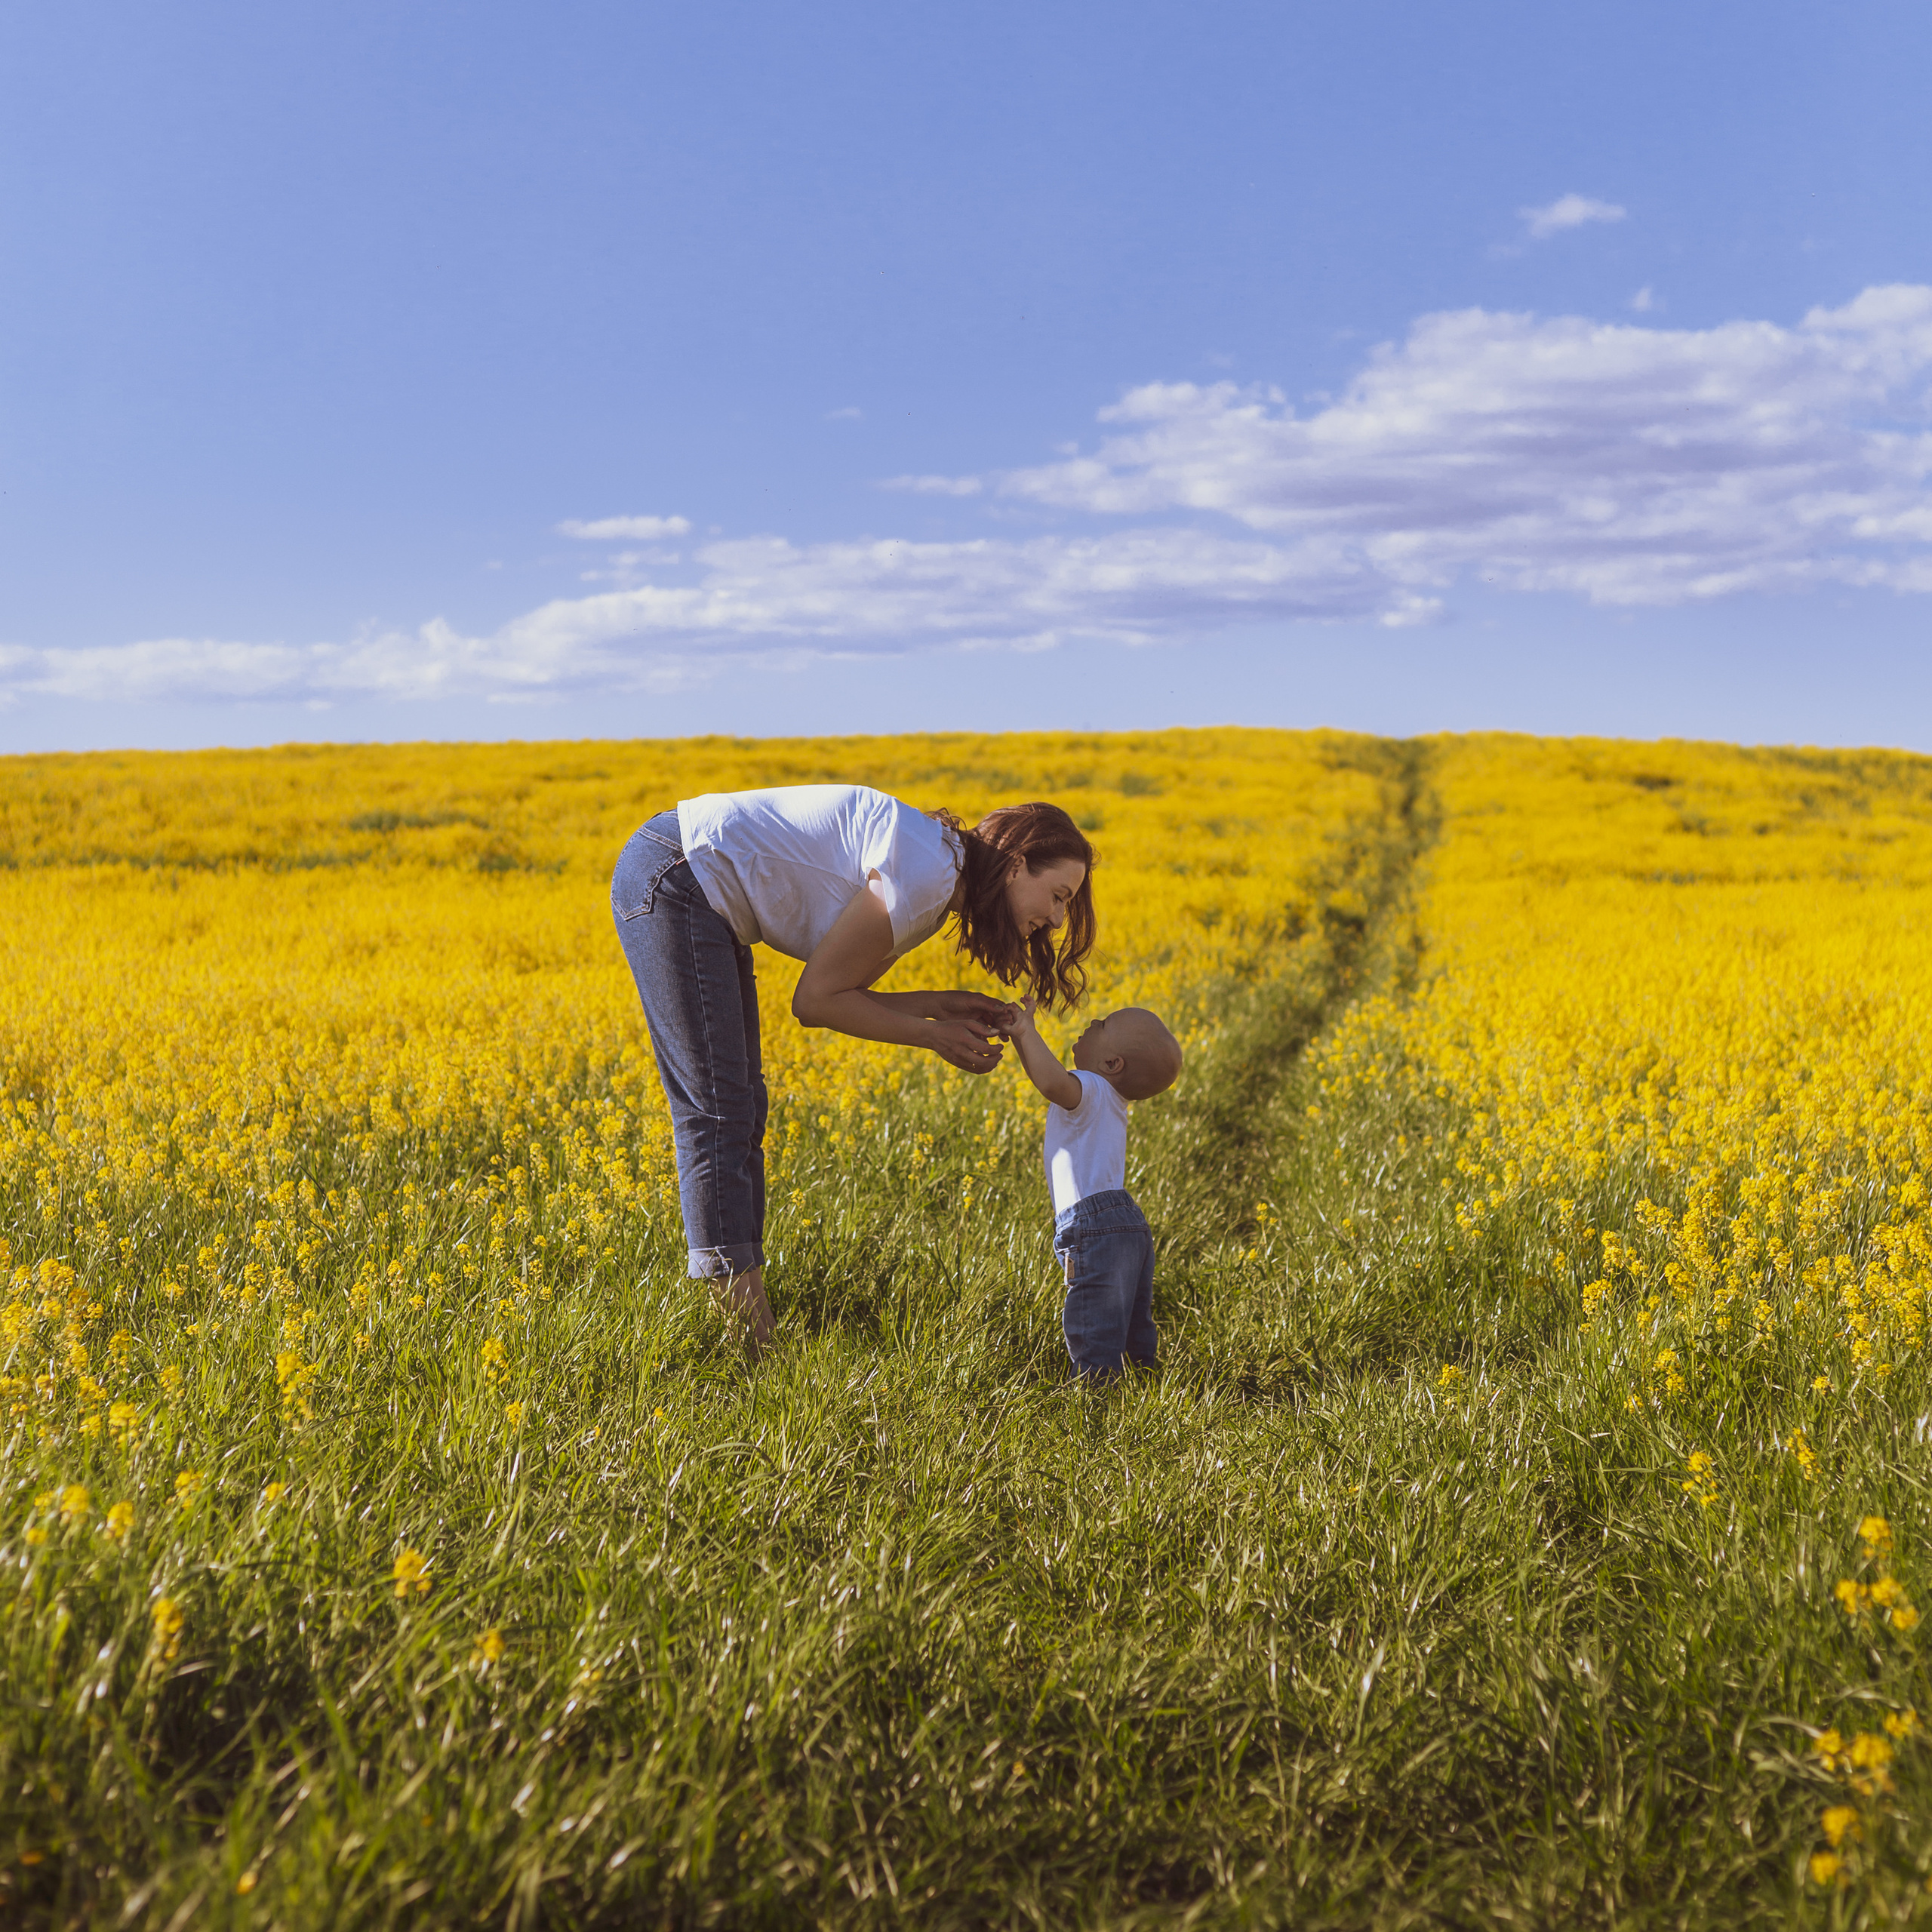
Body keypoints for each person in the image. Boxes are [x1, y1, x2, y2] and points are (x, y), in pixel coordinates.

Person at [611, 786, 1095, 1354]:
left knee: (738, 1105)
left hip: (689, 874)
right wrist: (932, 1034)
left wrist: (939, 1006)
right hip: (677, 875)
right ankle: (750, 1344)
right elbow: (815, 1002)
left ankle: (747, 1324)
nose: (1059, 919)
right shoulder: (924, 880)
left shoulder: (936, 874)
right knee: (717, 1110)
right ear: (1016, 867)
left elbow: (844, 995)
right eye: (1058, 895)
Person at [1001, 995, 1183, 1380]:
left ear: (1111, 1064)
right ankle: (1142, 1386)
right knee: (1133, 1324)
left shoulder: (1092, 1087)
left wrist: (1025, 1031)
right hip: (1129, 1223)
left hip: (1093, 1224)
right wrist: (1019, 1035)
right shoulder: (1114, 1100)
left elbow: (1051, 1081)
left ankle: (1093, 1405)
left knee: (1095, 1326)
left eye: (1104, 1025)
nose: (1095, 1019)